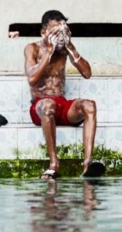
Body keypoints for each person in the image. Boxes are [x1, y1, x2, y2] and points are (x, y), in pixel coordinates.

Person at [24, 10, 103, 180]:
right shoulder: (33, 48)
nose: (59, 36)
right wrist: (49, 52)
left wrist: (71, 47)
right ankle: (54, 164)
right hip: (40, 106)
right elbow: (31, 79)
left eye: (63, 31)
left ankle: (88, 163)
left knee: (90, 105)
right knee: (48, 105)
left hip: (62, 106)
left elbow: (87, 73)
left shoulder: (65, 49)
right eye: (55, 32)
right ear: (43, 32)